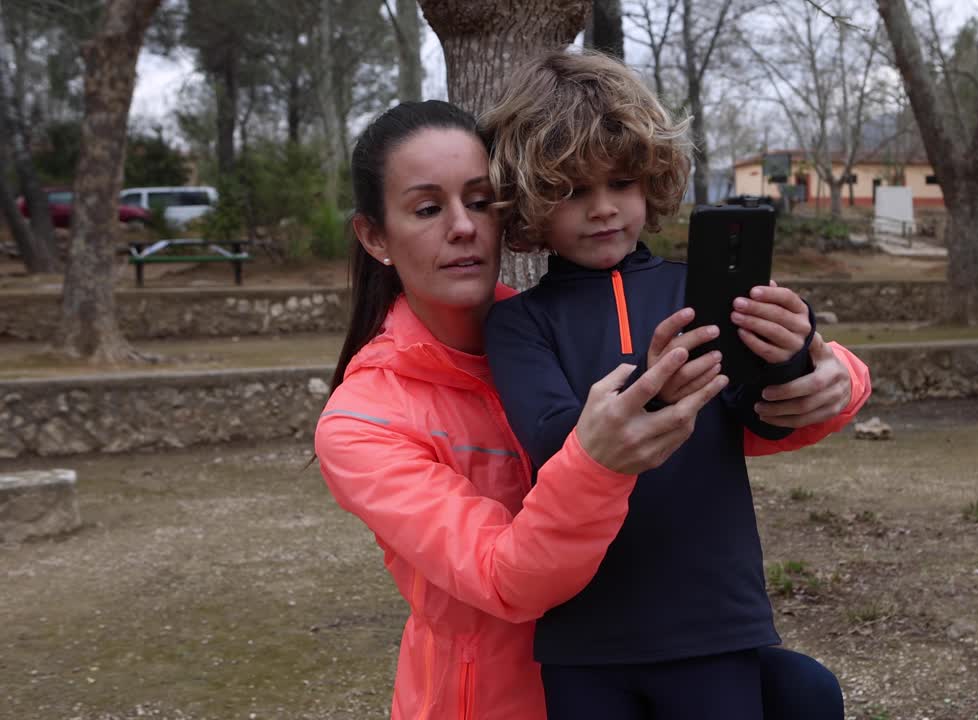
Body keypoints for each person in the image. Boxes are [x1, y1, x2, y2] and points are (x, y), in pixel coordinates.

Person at [315, 99, 863, 720]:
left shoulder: (554, 324)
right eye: (426, 209)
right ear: (375, 236)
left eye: (480, 201)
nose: (463, 226)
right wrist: (629, 423)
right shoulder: (365, 421)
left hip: (689, 647)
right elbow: (503, 575)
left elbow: (741, 419)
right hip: (514, 695)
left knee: (804, 692)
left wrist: (830, 372)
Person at [480, 50, 873, 720]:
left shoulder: (701, 291)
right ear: (532, 200)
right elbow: (553, 441)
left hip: (713, 619)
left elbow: (759, 414)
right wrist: (658, 386)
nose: (604, 209)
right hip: (584, 633)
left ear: (653, 178)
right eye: (573, 190)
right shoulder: (520, 323)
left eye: (622, 182)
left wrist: (793, 354)